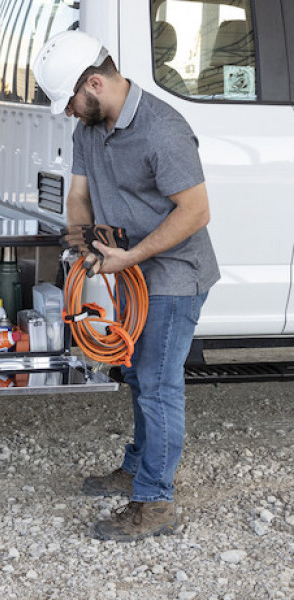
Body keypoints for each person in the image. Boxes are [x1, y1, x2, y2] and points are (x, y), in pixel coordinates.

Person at [32, 31, 220, 542]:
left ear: (94, 83)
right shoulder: (90, 131)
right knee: (137, 376)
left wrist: (130, 256)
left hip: (174, 273)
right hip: (127, 270)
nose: (69, 112)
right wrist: (81, 245)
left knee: (157, 384)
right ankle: (137, 468)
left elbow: (196, 212)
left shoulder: (163, 130)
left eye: (70, 101)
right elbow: (78, 197)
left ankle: (155, 502)